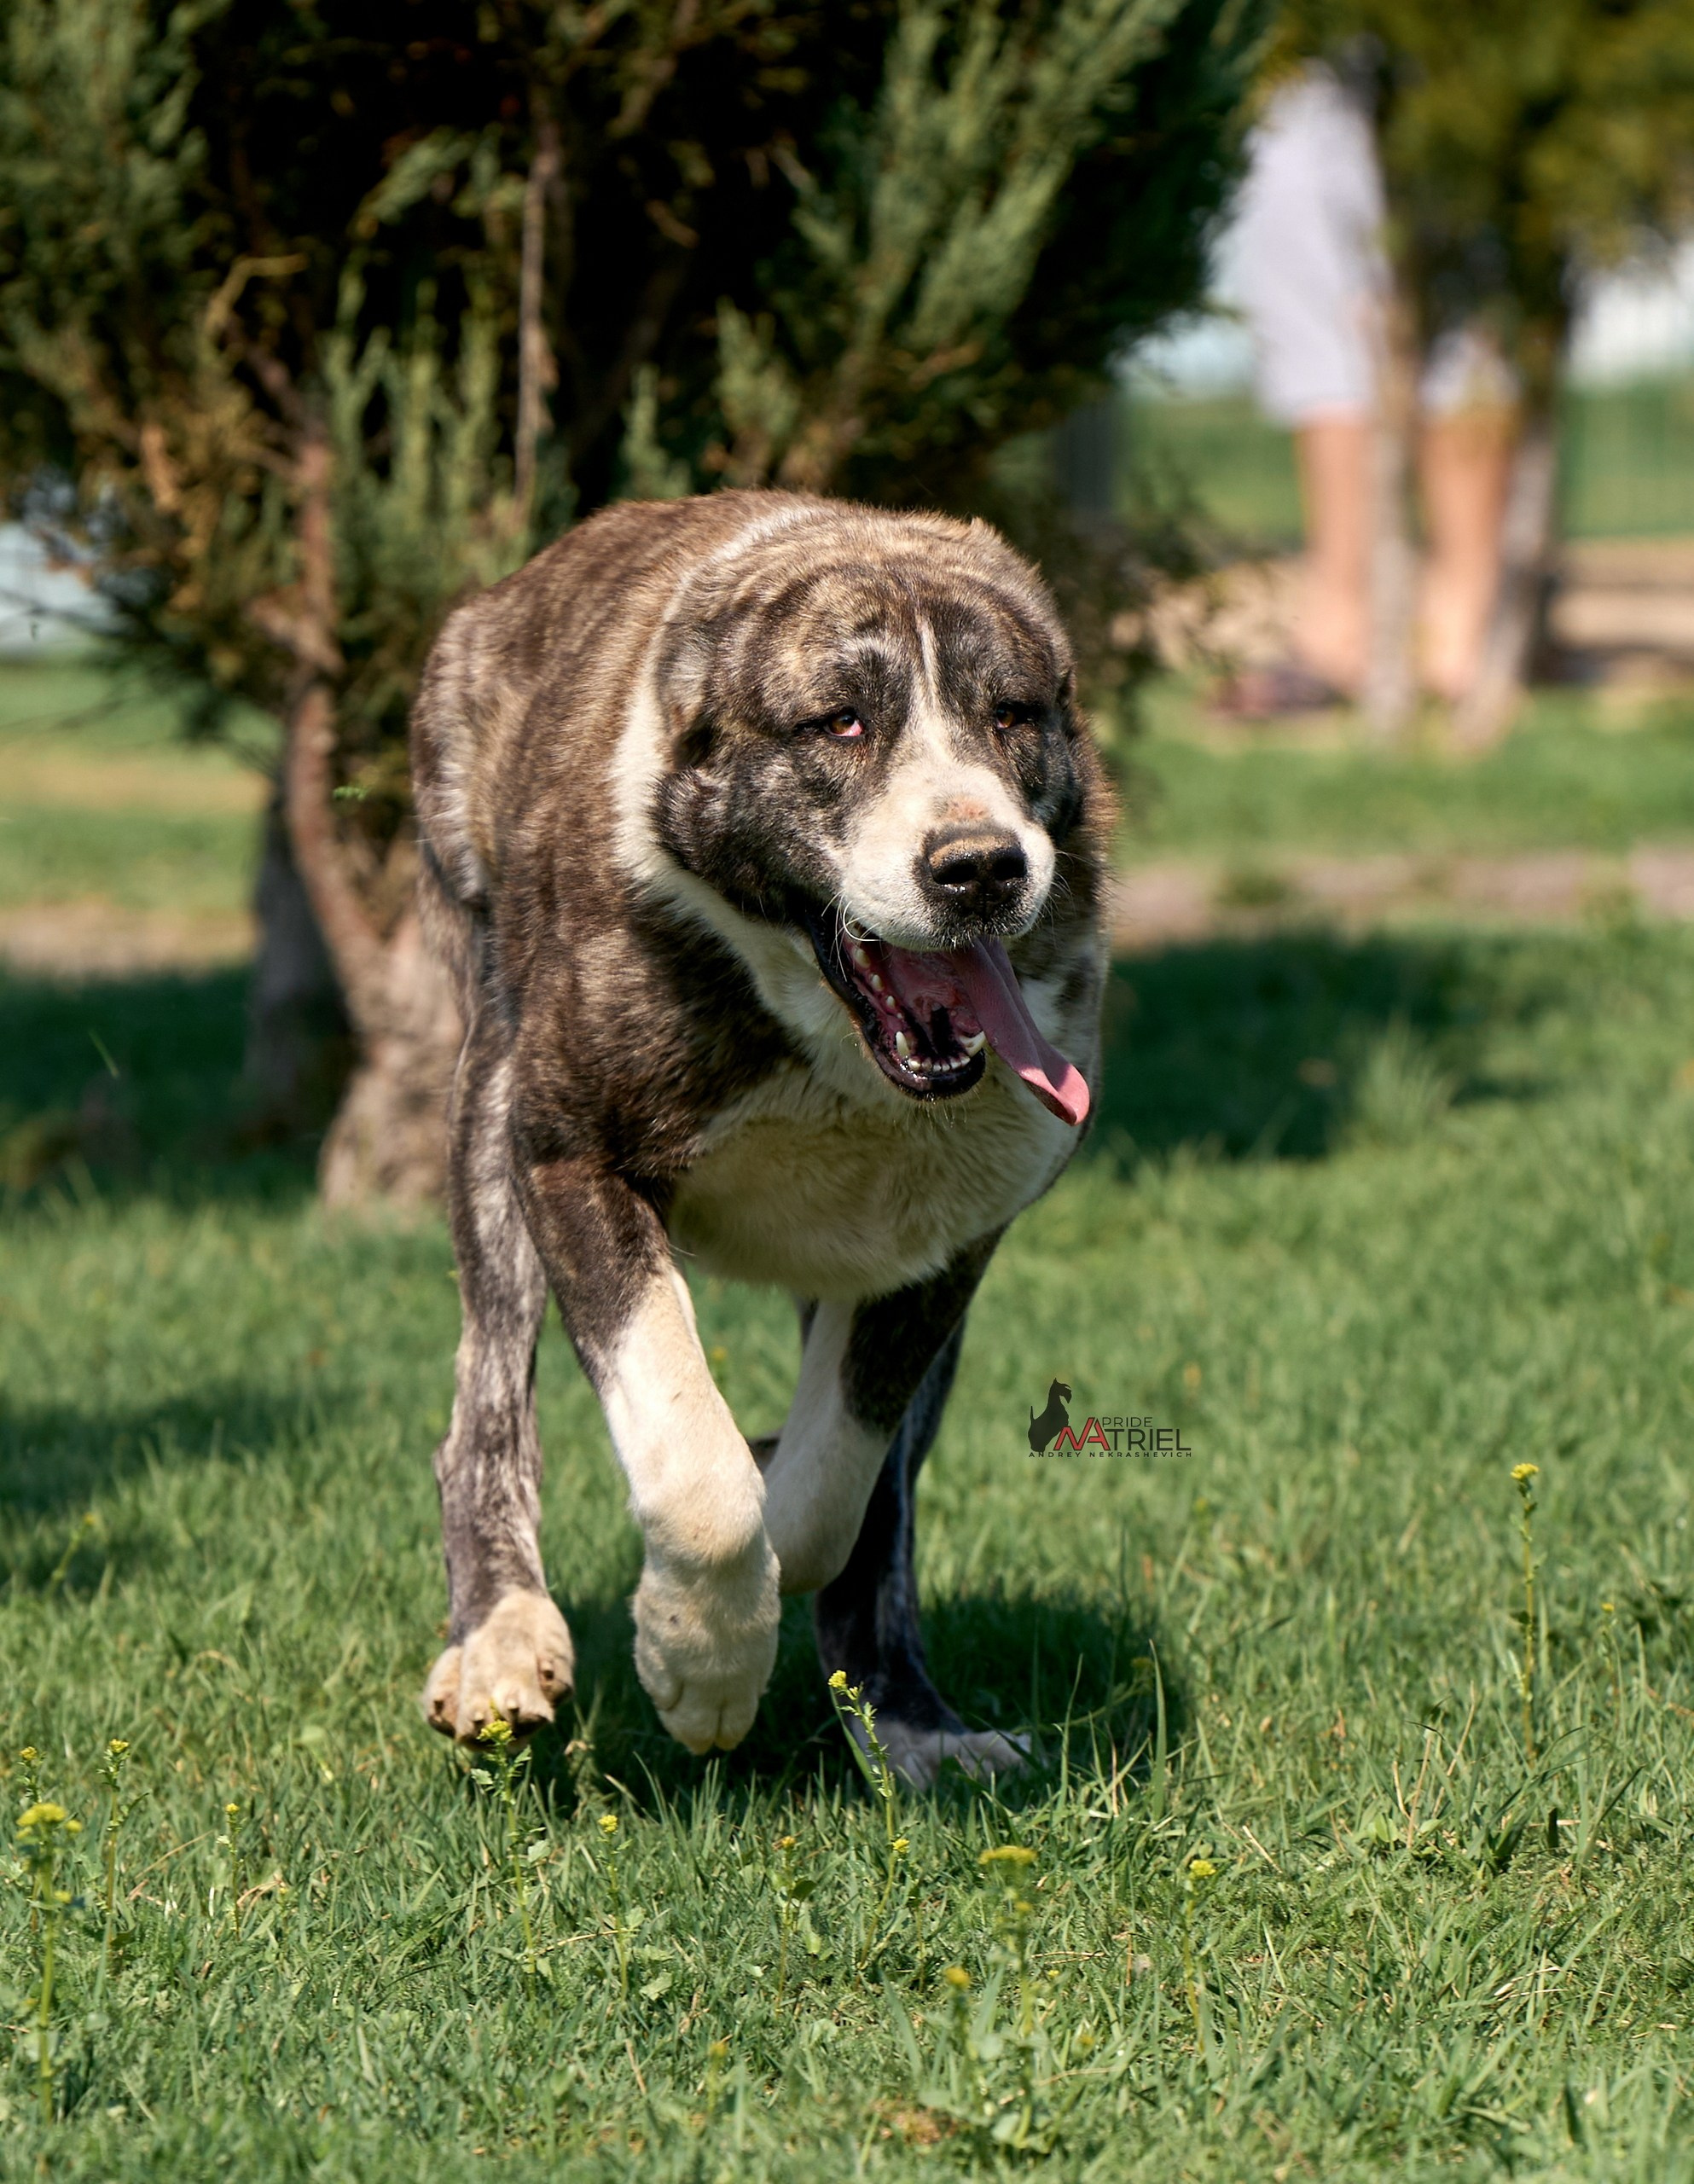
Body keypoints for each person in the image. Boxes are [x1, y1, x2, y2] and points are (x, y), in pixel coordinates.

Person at [1215, 64, 1517, 717]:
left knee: (1460, 311)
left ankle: (1462, 628)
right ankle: (1338, 630)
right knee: (1313, 309)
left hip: (1441, 59)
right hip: (1305, 66)